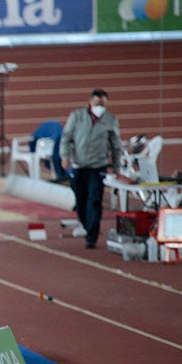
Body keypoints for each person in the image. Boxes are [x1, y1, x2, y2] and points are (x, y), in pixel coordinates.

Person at [59, 88, 122, 249]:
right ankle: (88, 226)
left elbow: (116, 145)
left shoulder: (110, 119)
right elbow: (66, 137)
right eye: (97, 102)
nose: (100, 105)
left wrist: (116, 166)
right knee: (80, 200)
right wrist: (65, 156)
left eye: (103, 103)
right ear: (90, 101)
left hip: (98, 166)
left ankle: (91, 236)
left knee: (94, 200)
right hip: (79, 165)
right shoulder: (77, 116)